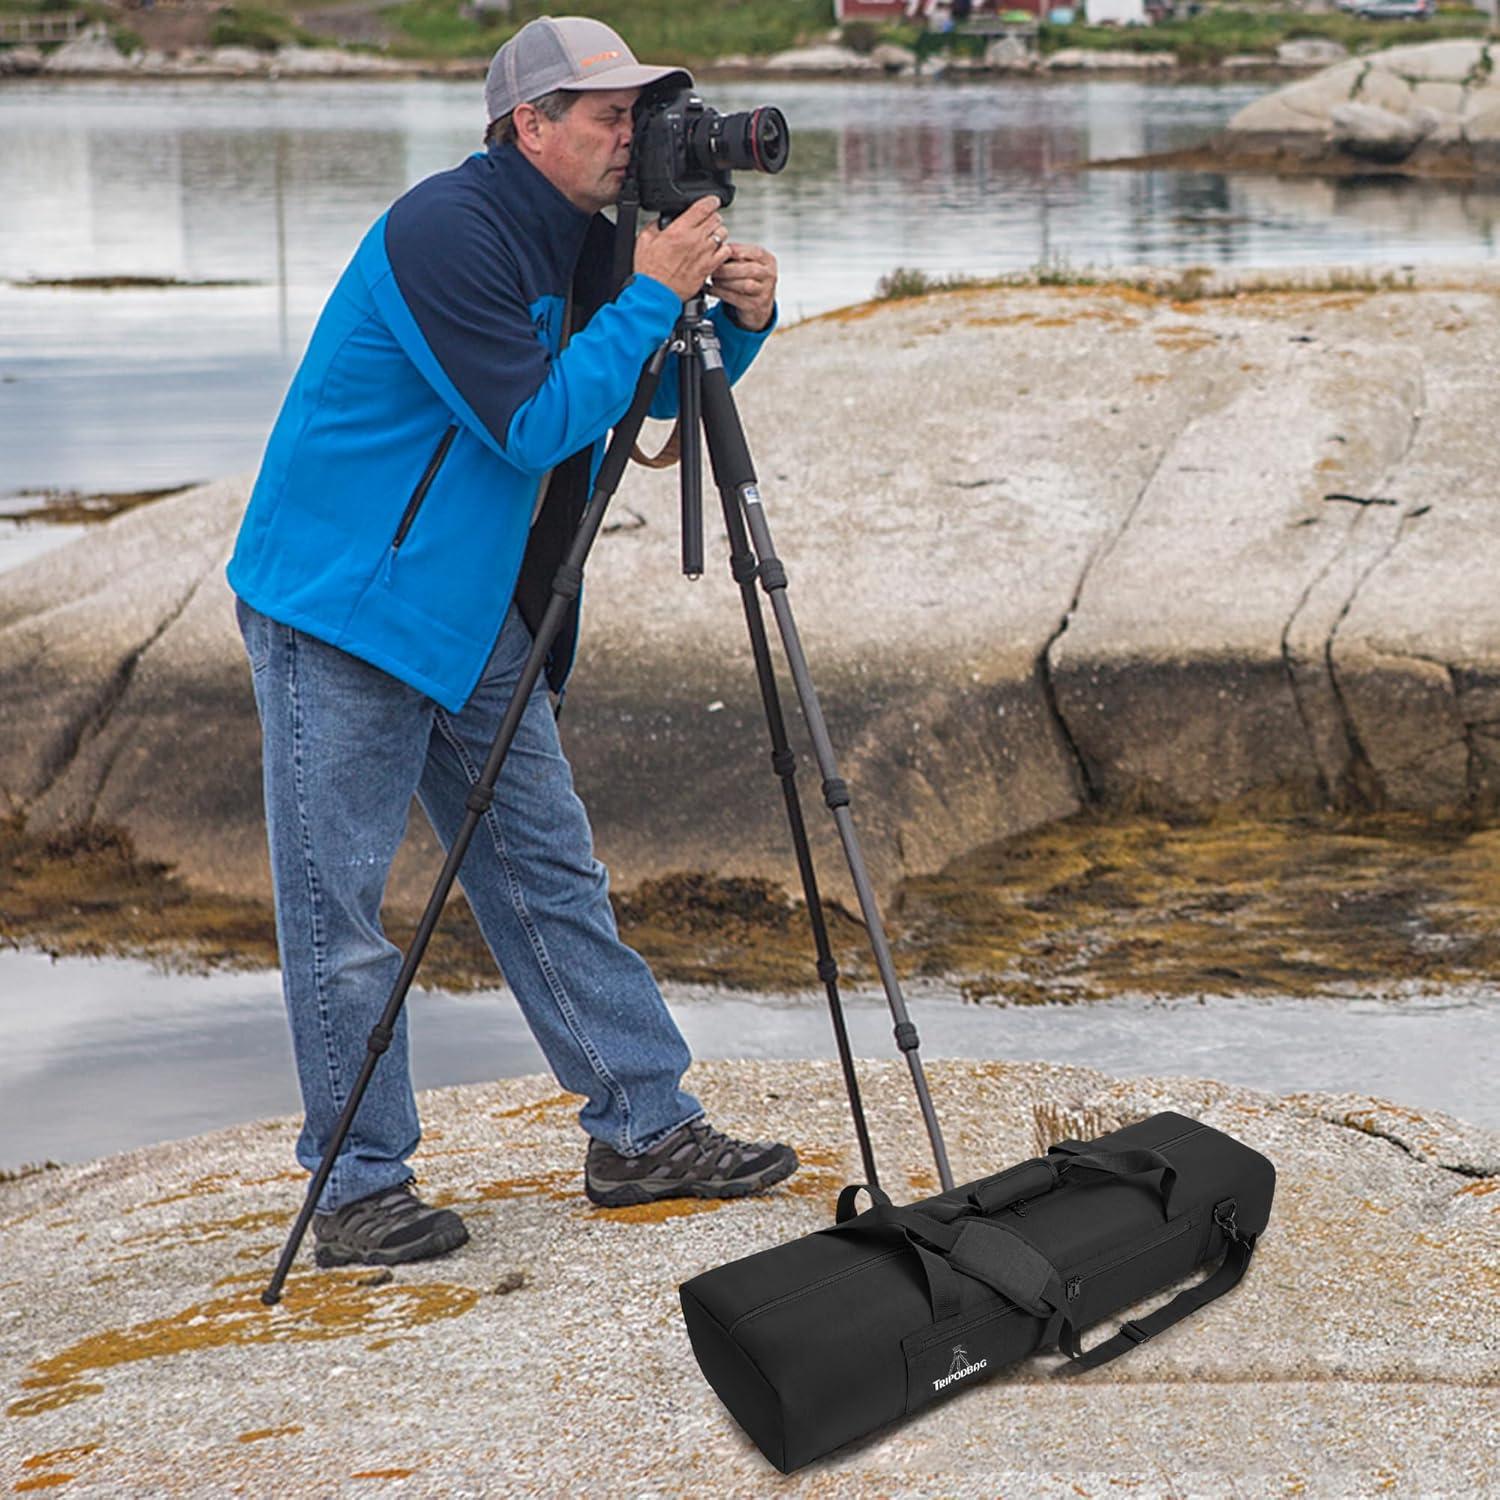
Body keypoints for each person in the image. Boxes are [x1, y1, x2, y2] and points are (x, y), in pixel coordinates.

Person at [227, 15, 796, 1269]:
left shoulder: (601, 238)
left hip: (484, 611)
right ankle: (361, 1187)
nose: (632, 140)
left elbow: (641, 390)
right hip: (346, 607)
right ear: (526, 125)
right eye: (607, 117)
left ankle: (645, 1130)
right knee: (342, 912)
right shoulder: (448, 231)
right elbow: (536, 424)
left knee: (549, 875)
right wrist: (652, 289)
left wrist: (728, 318)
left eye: (641, 117)